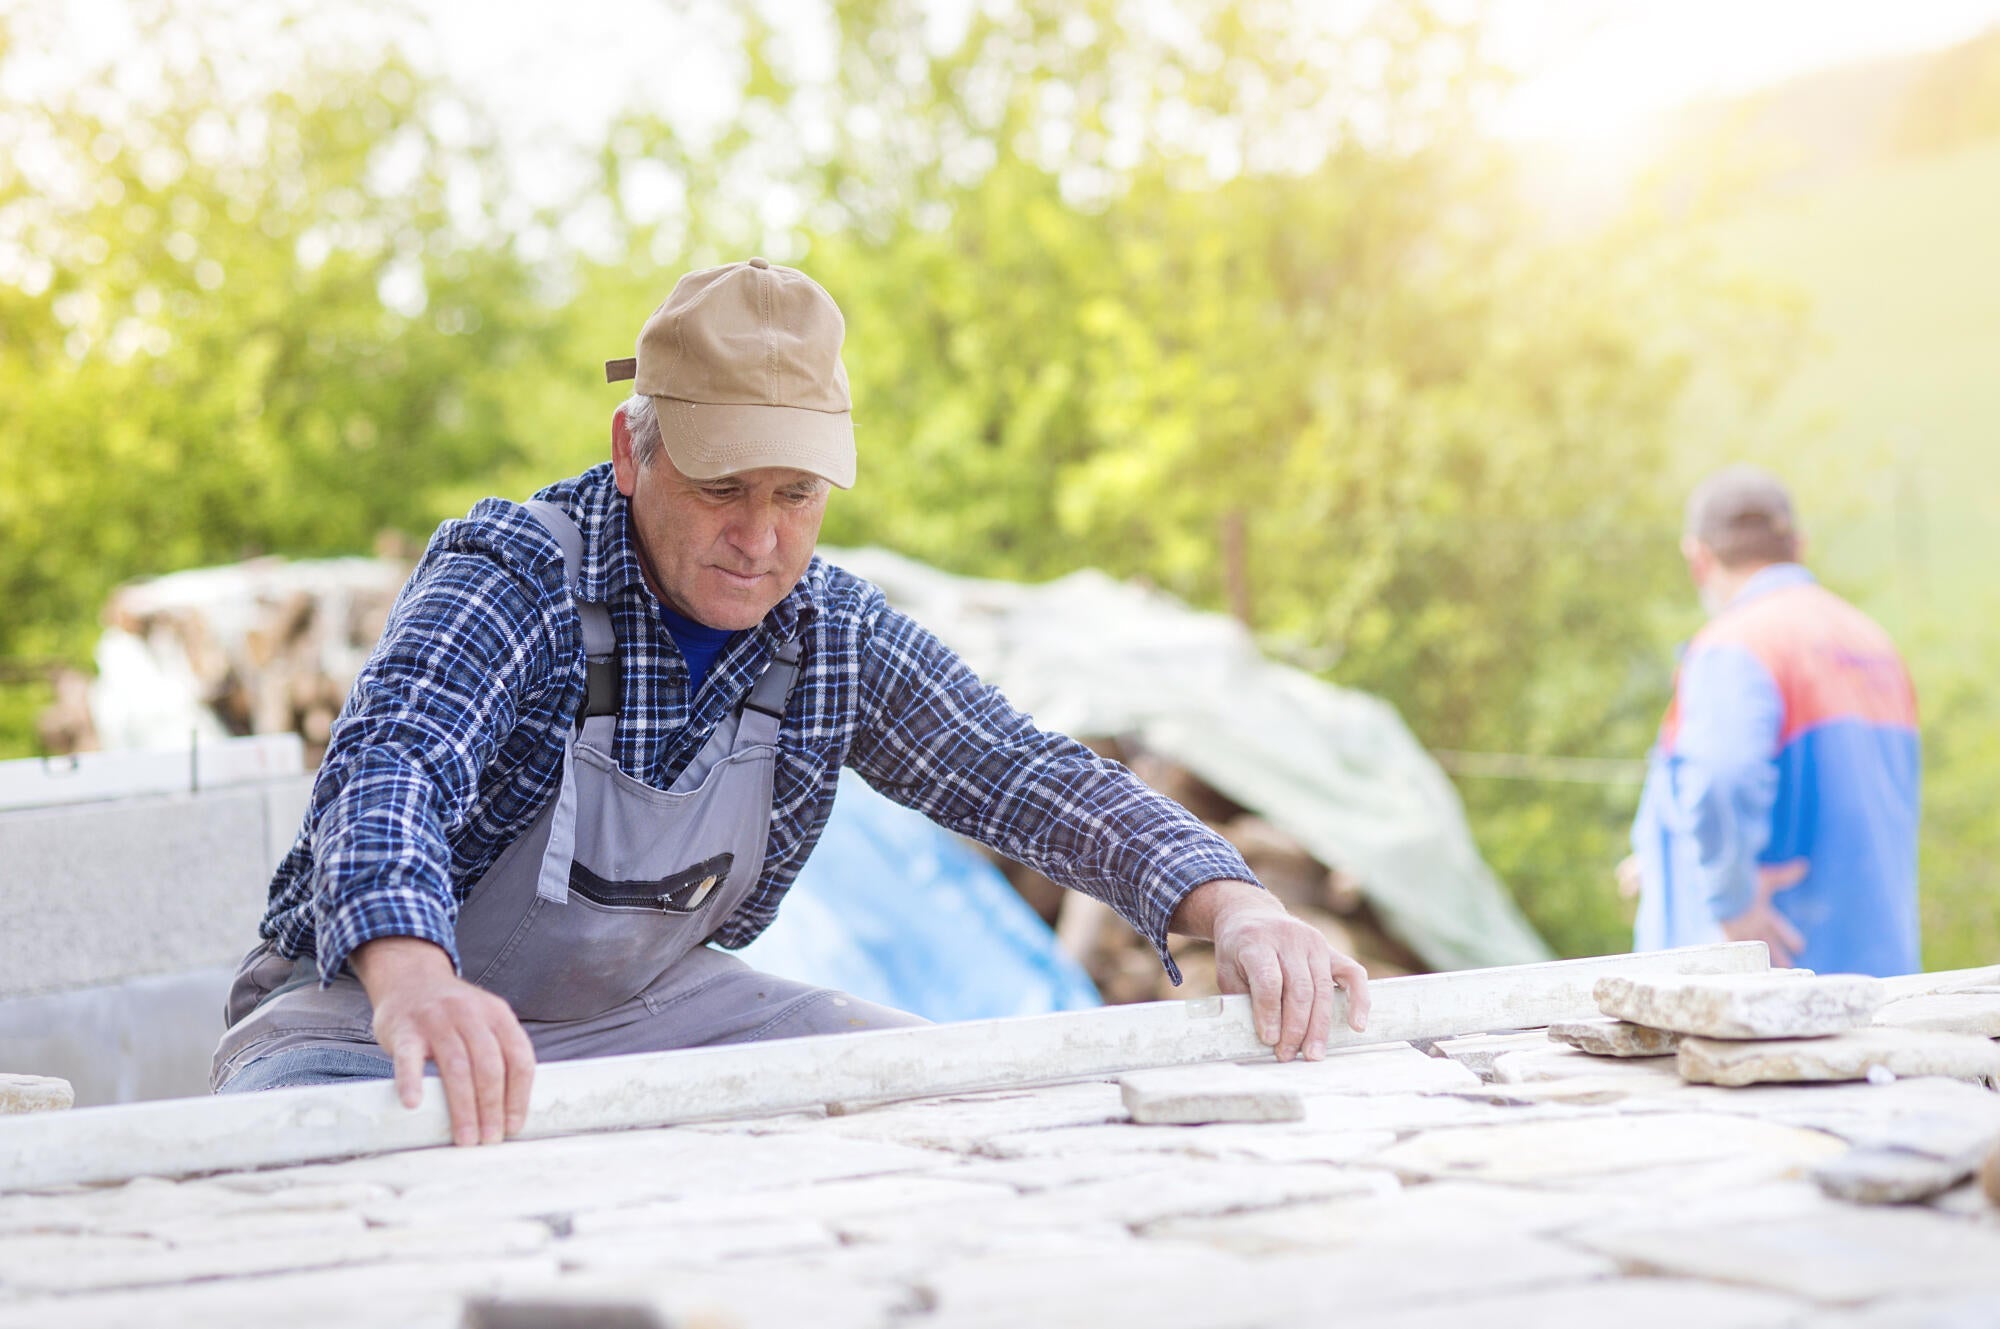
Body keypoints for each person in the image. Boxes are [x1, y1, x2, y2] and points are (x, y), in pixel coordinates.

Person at [212, 257, 1371, 1145]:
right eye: (721, 488)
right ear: (631, 451)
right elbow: (390, 766)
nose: (759, 538)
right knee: (303, 1167)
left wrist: (1236, 905)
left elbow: (1020, 772)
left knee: (951, 1111)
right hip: (369, 1014)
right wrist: (415, 979)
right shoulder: (513, 575)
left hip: (646, 1014)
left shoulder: (830, 634)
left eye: (796, 495)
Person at [1625, 465, 1920, 976]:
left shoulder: (1737, 644)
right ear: (1798, 546)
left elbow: (1721, 776)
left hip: (1771, 991)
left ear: (1698, 558)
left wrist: (1731, 902)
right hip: (1880, 976)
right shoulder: (1873, 643)